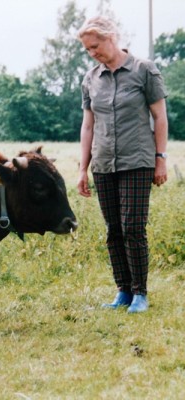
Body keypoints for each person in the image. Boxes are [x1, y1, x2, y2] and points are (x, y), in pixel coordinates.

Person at [77, 16, 168, 313]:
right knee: (113, 229)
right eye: (88, 49)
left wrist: (160, 159)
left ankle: (141, 293)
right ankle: (123, 292)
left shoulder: (144, 71)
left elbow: (160, 117)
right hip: (103, 164)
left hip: (137, 161)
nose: (93, 53)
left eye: (96, 46)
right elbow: (88, 126)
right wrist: (82, 169)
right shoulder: (91, 78)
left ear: (111, 37)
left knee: (133, 227)